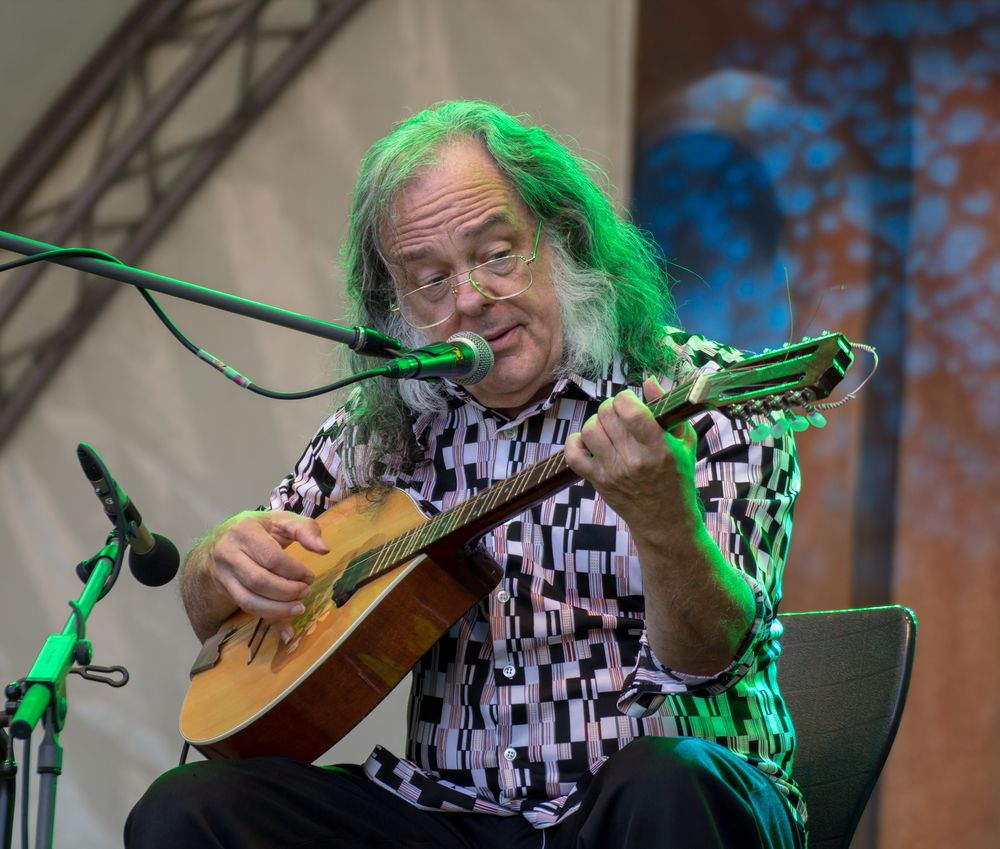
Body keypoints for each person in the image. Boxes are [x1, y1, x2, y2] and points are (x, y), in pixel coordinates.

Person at [126, 100, 804, 849]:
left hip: (656, 804)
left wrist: (661, 515)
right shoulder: (386, 422)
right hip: (456, 814)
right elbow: (224, 610)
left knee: (665, 778)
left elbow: (710, 660)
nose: (471, 300)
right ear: (395, 306)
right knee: (186, 810)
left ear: (563, 239)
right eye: (430, 279)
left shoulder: (700, 396)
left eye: (496, 254)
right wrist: (218, 561)